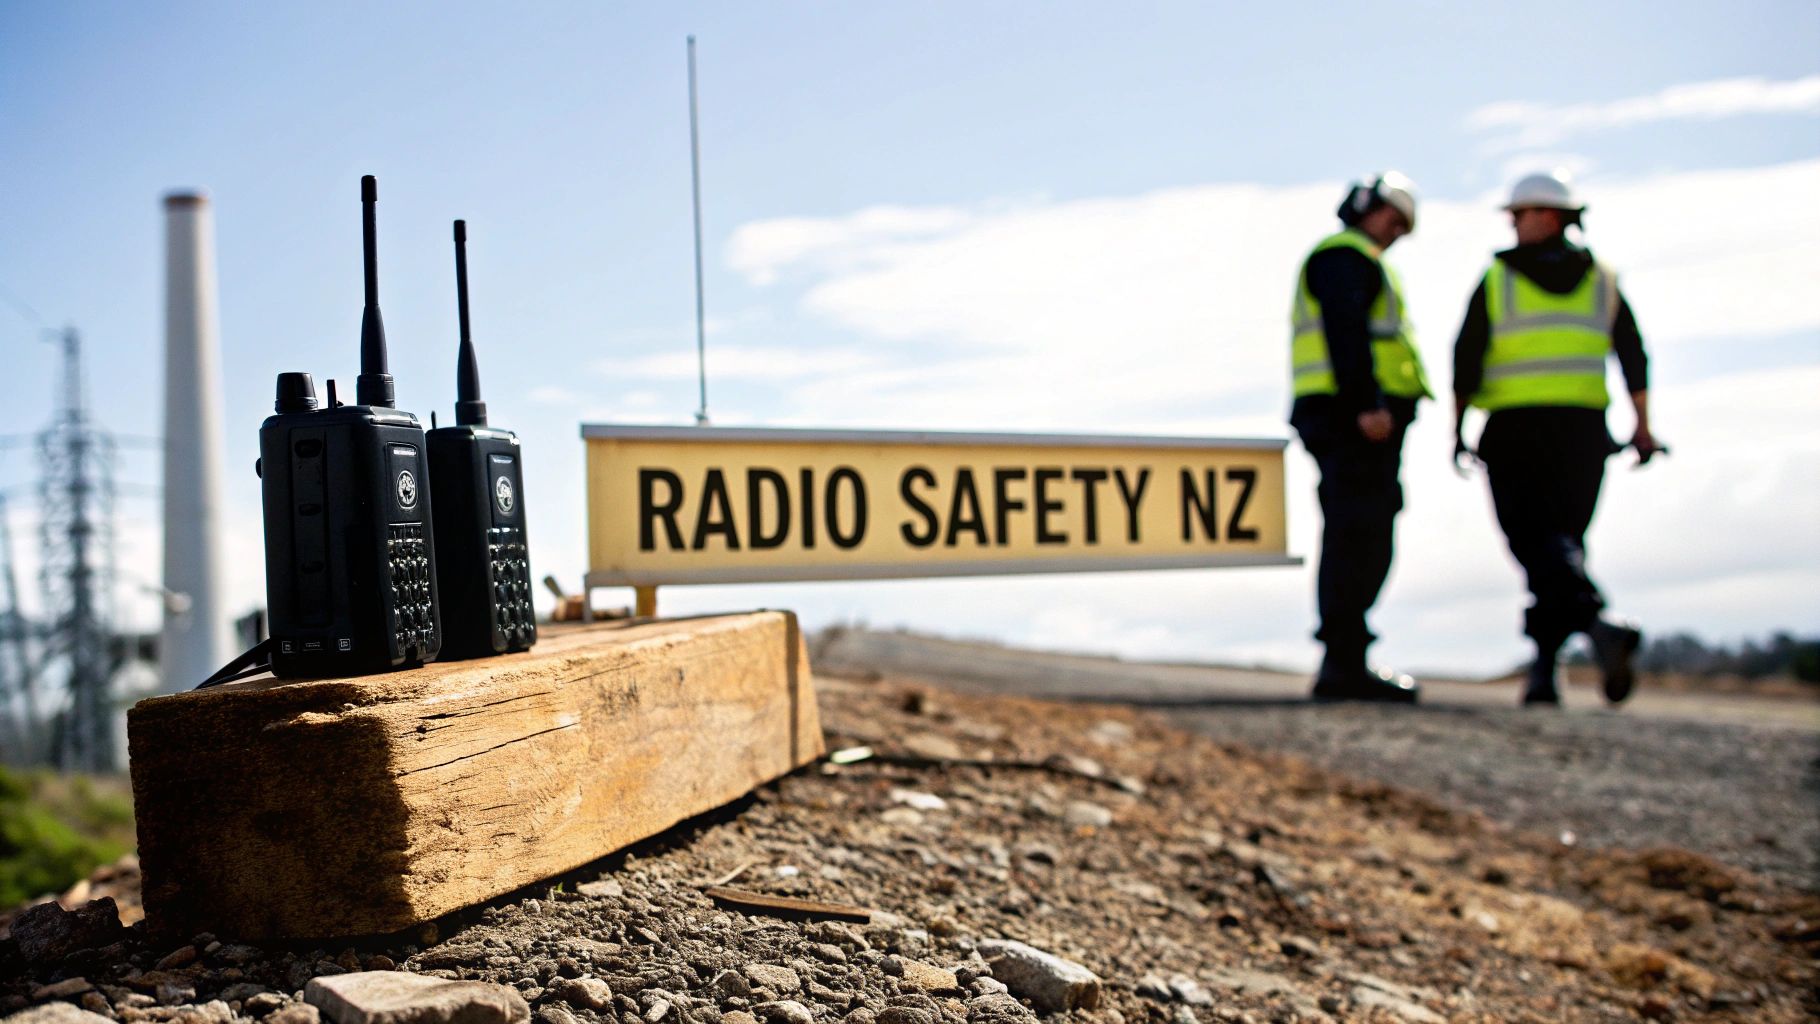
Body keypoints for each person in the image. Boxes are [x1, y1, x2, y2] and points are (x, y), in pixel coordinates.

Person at [1451, 170, 1659, 707]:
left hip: (1516, 431)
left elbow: (1466, 359)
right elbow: (1632, 354)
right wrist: (1642, 425)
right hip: (1584, 431)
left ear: (1545, 215)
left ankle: (1595, 623)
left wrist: (1456, 427)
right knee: (1562, 544)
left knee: (1533, 542)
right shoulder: (1603, 279)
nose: (1513, 226)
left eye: (1517, 215)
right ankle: (1545, 673)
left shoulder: (1498, 278)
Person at [1289, 173, 1432, 702]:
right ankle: (1343, 660)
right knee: (1357, 532)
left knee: (1363, 529)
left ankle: (1346, 656)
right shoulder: (1343, 258)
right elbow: (1345, 333)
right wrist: (1366, 404)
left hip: (1354, 419)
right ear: (1365, 208)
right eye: (1392, 220)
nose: (1395, 233)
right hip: (1351, 420)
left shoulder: (1361, 260)